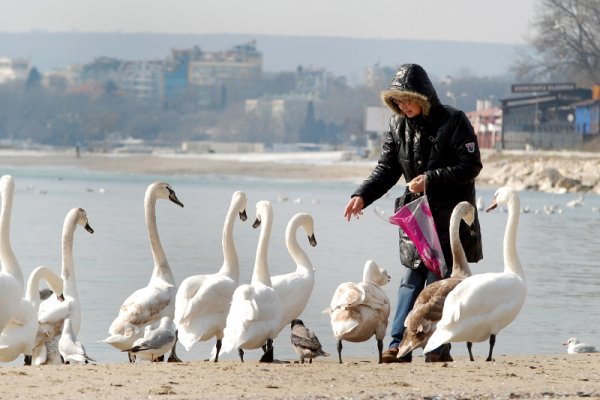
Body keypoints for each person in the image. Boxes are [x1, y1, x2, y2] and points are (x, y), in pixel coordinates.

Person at [344, 63, 483, 363]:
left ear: (422, 97)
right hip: (415, 218)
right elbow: (386, 170)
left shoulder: (455, 121)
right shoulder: (397, 127)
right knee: (410, 279)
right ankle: (397, 345)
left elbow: (471, 166)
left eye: (407, 99)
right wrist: (361, 195)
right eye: (397, 101)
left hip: (448, 218)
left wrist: (431, 179)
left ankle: (437, 346)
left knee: (438, 282)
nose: (402, 105)